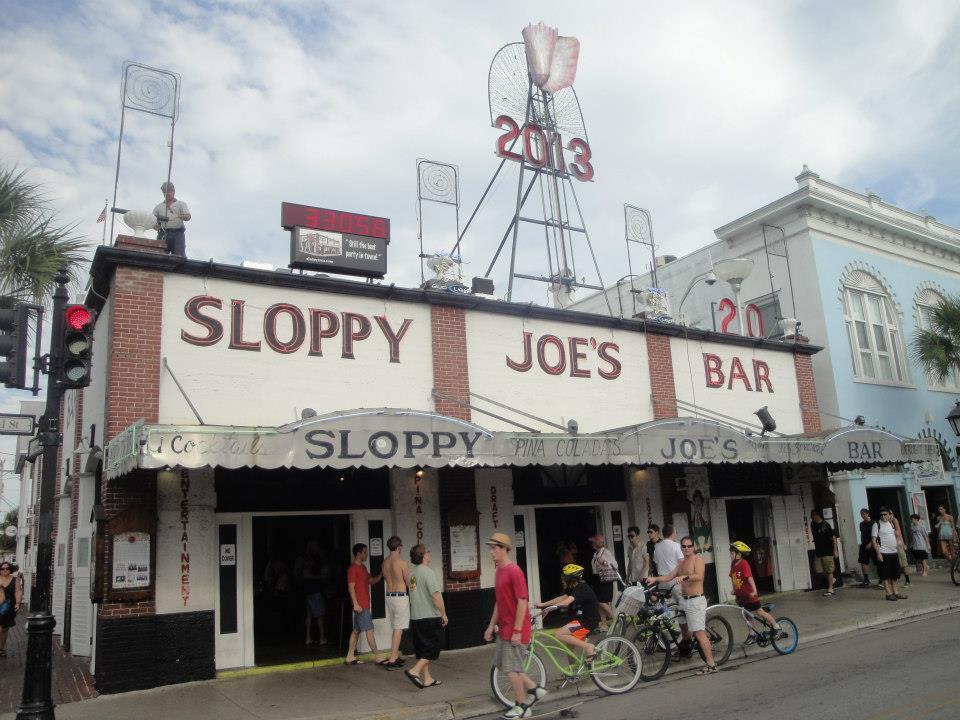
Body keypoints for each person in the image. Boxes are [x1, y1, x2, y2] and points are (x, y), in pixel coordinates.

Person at [483, 532, 546, 719]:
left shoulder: (514, 571)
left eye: (494, 548)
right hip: (504, 628)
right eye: (491, 548)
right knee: (503, 665)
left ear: (504, 549)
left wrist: (518, 630)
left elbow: (522, 602)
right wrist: (490, 625)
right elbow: (499, 602)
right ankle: (534, 690)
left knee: (512, 669)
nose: (492, 552)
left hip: (516, 629)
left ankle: (522, 706)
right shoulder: (499, 571)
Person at [647, 536, 716, 675]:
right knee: (684, 627)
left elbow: (699, 576)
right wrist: (655, 579)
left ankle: (711, 664)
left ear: (693, 547)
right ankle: (687, 649)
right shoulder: (682, 563)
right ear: (681, 547)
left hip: (695, 600)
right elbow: (669, 576)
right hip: (684, 601)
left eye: (689, 546)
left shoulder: (698, 560)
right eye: (684, 546)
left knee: (699, 633)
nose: (686, 549)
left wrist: (684, 577)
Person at [535, 564, 599, 661]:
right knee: (569, 647)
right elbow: (563, 598)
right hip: (582, 620)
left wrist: (550, 609)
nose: (562, 579)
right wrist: (542, 605)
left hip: (586, 622)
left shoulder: (581, 588)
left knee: (558, 634)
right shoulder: (574, 587)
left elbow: (566, 602)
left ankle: (588, 647)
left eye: (564, 577)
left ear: (571, 578)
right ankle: (572, 671)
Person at [404, 544, 447, 689]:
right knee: (435, 646)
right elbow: (435, 596)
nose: (429, 553)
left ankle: (427, 678)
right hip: (430, 616)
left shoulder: (412, 574)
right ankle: (414, 671)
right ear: (423, 556)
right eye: (427, 551)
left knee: (423, 649)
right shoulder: (428, 572)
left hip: (416, 617)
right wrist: (443, 613)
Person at [728, 541, 781, 637]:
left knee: (759, 612)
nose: (730, 556)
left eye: (732, 553)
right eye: (730, 553)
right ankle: (752, 634)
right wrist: (734, 589)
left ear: (739, 554)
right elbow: (733, 578)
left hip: (750, 596)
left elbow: (750, 578)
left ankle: (776, 626)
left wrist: (754, 591)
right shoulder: (733, 565)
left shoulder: (744, 564)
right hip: (742, 597)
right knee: (747, 615)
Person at [344, 543, 385, 665]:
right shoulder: (352, 569)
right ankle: (378, 656)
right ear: (359, 553)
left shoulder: (363, 568)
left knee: (356, 631)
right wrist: (356, 604)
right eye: (365, 552)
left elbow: (371, 581)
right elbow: (351, 587)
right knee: (369, 631)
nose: (367, 554)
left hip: (363, 604)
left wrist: (381, 574)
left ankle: (350, 657)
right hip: (361, 606)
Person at [380, 535, 410, 668]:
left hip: (389, 596)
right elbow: (408, 581)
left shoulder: (384, 563)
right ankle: (393, 659)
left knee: (395, 627)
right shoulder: (402, 562)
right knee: (399, 628)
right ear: (399, 547)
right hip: (400, 596)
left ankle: (395, 655)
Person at [295, 540, 327, 646]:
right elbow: (306, 575)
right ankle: (322, 638)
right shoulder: (309, 560)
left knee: (309, 615)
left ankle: (308, 638)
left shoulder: (303, 558)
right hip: (314, 590)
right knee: (319, 615)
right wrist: (321, 577)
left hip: (306, 590)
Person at [872, 507, 906, 602]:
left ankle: (896, 592)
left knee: (895, 574)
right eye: (881, 515)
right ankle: (888, 593)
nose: (883, 516)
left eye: (885, 514)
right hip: (883, 552)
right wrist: (878, 553)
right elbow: (874, 540)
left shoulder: (891, 524)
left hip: (893, 552)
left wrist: (899, 544)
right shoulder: (876, 525)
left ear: (889, 514)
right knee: (885, 575)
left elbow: (895, 535)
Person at [152, 181, 191, 257]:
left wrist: (184, 216)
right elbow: (151, 220)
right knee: (158, 255)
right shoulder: (158, 207)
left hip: (178, 234)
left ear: (173, 191)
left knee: (179, 257)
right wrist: (155, 226)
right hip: (163, 234)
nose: (166, 193)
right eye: (164, 192)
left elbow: (188, 217)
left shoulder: (181, 204)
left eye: (169, 191)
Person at [588, 534, 618, 627]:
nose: (592, 544)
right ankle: (604, 623)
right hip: (597, 578)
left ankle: (615, 618)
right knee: (599, 602)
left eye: (593, 542)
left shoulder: (606, 552)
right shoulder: (596, 553)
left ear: (598, 543)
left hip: (605, 579)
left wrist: (604, 562)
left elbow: (615, 565)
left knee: (601, 600)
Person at [810, 510, 839, 597]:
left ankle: (831, 589)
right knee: (818, 571)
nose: (812, 517)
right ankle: (832, 579)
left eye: (813, 515)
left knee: (829, 570)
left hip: (827, 551)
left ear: (818, 515)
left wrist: (835, 550)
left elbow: (833, 537)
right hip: (818, 551)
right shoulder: (812, 524)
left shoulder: (826, 525)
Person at [652, 524, 684, 604]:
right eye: (676, 532)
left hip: (662, 581)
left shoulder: (657, 547)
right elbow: (682, 564)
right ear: (673, 533)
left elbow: (656, 565)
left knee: (667, 608)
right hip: (675, 581)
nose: (676, 534)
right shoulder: (677, 546)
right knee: (683, 604)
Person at [0, 561, 21, 656]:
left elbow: (18, 591)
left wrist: (18, 602)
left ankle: (1, 648)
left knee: (4, 628)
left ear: (10, 569)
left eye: (7, 568)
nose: (5, 570)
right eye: (2, 568)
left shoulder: (14, 579)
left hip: (8, 607)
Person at [856, 509, 875, 587]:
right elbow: (862, 534)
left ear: (867, 514)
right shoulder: (861, 524)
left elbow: (875, 535)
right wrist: (862, 543)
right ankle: (866, 579)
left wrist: (870, 543)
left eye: (864, 514)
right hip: (864, 545)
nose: (862, 516)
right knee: (863, 561)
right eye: (861, 514)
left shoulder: (873, 523)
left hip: (872, 544)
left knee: (876, 561)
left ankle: (881, 578)